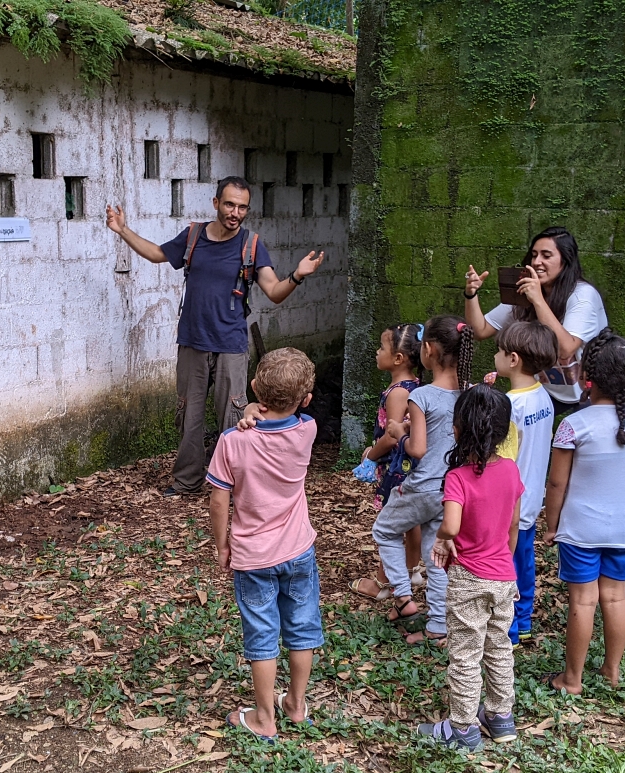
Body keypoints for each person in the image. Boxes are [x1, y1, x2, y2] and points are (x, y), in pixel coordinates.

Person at [106, 177, 325, 497]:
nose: (235, 212)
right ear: (216, 203)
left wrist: (297, 276)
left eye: (241, 207)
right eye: (229, 204)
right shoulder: (194, 236)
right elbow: (156, 254)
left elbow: (275, 291)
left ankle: (237, 485)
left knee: (234, 418)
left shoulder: (252, 245)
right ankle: (187, 482)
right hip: (193, 342)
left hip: (231, 345)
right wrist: (123, 230)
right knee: (188, 416)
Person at [206, 348, 322, 741]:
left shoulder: (232, 442)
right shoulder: (308, 430)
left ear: (254, 388)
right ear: (306, 400)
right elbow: (288, 414)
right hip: (299, 551)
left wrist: (222, 545)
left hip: (253, 556)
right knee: (302, 626)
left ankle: (263, 717)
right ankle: (296, 704)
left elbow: (219, 499)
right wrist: (261, 410)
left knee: (261, 633)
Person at [542, 329, 625, 694]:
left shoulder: (574, 426)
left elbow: (557, 485)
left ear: (587, 376)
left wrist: (551, 525)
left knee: (583, 599)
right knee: (614, 596)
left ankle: (572, 679)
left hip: (581, 530)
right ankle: (612, 671)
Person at [417, 385, 523, 753]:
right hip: (504, 577)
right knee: (498, 646)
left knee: (465, 653)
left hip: (469, 578)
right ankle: (500, 716)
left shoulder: (459, 478)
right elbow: (513, 525)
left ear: (458, 429)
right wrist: (503, 558)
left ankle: (462, 727)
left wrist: (445, 539)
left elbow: (451, 523)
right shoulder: (510, 471)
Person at [369, 315, 475, 646]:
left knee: (384, 530)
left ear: (427, 350)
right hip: (452, 490)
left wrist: (399, 434)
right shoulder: (471, 395)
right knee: (437, 558)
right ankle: (437, 628)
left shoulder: (422, 396)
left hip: (422, 486)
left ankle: (402, 599)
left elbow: (417, 449)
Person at [463, 227, 608, 414]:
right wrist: (471, 294)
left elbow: (565, 349)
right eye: (534, 255)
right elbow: (480, 330)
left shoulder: (582, 296)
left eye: (546, 256)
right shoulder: (526, 292)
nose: (537, 262)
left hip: (587, 393)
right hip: (546, 391)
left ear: (566, 261)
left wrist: (538, 300)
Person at [492, 321, 558, 646]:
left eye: (499, 351)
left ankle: (511, 631)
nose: (496, 355)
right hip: (532, 498)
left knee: (507, 564)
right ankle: (525, 618)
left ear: (513, 359)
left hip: (510, 502)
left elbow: (503, 458)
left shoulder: (511, 405)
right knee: (524, 560)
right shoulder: (543, 396)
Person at [350, 324, 424, 601]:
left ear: (398, 359)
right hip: (408, 468)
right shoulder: (414, 386)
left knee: (389, 525)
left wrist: (371, 455)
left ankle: (382, 582)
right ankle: (412, 568)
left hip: (395, 468)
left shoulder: (398, 392)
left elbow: (393, 437)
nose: (376, 352)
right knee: (411, 520)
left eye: (382, 348)